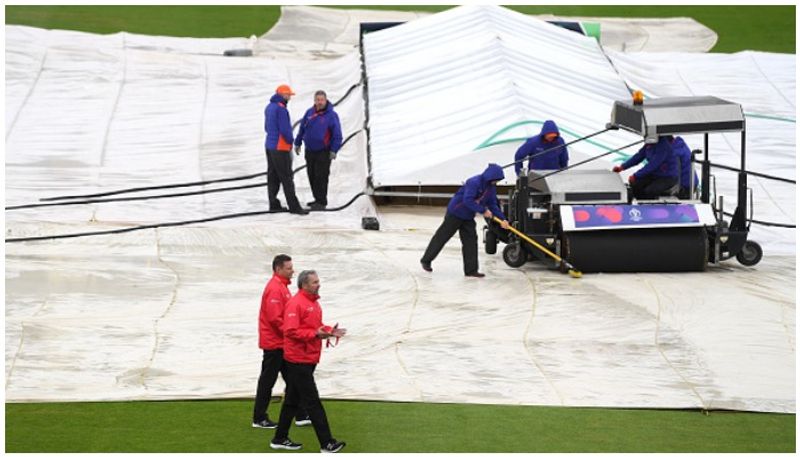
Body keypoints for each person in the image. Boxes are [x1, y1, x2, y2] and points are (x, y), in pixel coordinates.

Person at [271, 270, 347, 453]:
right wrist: (316, 334)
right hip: (298, 360)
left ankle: (279, 438)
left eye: (318, 281)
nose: (318, 284)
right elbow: (290, 331)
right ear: (304, 285)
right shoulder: (296, 304)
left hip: (307, 358)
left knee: (292, 401)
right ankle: (327, 443)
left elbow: (314, 327)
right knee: (312, 402)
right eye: (314, 282)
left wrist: (328, 330)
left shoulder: (313, 303)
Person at [420, 164, 511, 277]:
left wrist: (503, 219)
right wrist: (483, 210)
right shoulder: (473, 182)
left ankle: (471, 270)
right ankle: (426, 260)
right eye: (495, 180)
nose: (496, 182)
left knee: (471, 241)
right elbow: (468, 200)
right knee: (442, 237)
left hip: (468, 216)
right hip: (456, 212)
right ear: (490, 177)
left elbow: (492, 204)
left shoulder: (491, 188)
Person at [252, 254, 310, 430]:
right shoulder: (276, 289)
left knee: (292, 379)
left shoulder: (281, 287)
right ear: (278, 269)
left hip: (280, 343)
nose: (292, 271)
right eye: (289, 268)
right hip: (275, 344)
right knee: (268, 381)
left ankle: (299, 414)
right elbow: (275, 318)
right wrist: (293, 334)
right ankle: (259, 417)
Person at [294, 90, 343, 210]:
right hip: (310, 151)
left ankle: (321, 202)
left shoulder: (331, 115)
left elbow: (337, 135)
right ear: (314, 101)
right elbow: (302, 128)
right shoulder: (309, 113)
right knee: (311, 175)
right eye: (317, 100)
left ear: (325, 100)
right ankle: (317, 199)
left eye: (321, 100)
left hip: (323, 151)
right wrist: (298, 142)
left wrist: (334, 150)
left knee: (321, 176)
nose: (319, 102)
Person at [265, 84, 308, 215]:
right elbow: (285, 130)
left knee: (273, 176)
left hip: (270, 146)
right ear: (283, 95)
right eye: (288, 95)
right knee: (287, 178)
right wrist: (291, 141)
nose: (289, 97)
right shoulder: (281, 109)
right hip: (280, 147)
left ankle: (273, 204)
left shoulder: (269, 107)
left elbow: (266, 127)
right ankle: (294, 207)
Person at [612, 136, 679, 200]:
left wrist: (636, 175)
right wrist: (622, 167)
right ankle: (640, 204)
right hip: (655, 174)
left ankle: (650, 207)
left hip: (668, 177)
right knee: (635, 184)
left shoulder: (663, 146)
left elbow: (653, 165)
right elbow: (638, 156)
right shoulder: (650, 144)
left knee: (650, 190)